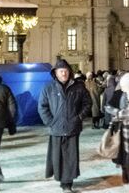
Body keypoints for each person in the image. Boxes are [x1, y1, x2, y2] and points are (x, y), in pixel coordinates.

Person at [38, 59, 91, 193]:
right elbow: (42, 107)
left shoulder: (79, 87)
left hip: (72, 127)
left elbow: (87, 103)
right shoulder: (48, 88)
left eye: (66, 71)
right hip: (56, 128)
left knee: (70, 157)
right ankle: (61, 178)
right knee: (58, 156)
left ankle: (67, 184)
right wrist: (50, 122)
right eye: (61, 71)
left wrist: (79, 117)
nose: (64, 73)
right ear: (55, 73)